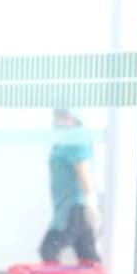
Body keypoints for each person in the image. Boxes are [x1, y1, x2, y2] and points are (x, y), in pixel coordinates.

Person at [40, 108, 99, 264]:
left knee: (49, 249)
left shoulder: (76, 139)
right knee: (88, 255)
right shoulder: (63, 142)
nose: (58, 121)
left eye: (63, 116)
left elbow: (83, 169)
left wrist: (91, 199)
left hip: (73, 208)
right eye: (57, 116)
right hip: (69, 208)